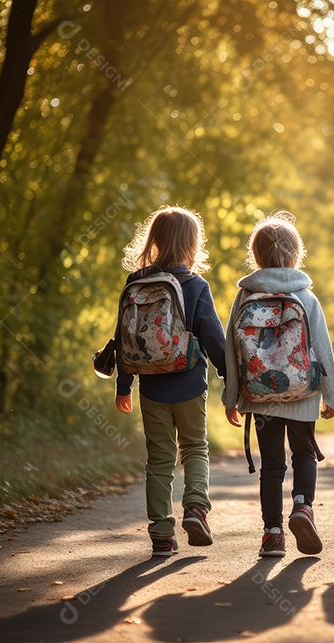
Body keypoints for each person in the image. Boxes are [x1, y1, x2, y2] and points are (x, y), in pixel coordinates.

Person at [223, 213, 334, 557]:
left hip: (260, 396)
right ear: (295, 255)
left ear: (256, 256)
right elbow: (322, 346)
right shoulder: (305, 295)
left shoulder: (246, 295)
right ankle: (303, 506)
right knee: (304, 453)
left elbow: (231, 350)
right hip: (303, 391)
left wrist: (232, 398)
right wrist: (333, 396)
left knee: (272, 465)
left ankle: (272, 534)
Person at [115, 206, 228, 556]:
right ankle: (196, 508)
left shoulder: (136, 283)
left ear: (155, 241)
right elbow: (213, 337)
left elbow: (123, 335)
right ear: (193, 244)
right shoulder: (195, 285)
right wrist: (232, 383)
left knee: (159, 460)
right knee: (194, 448)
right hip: (190, 384)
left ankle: (162, 535)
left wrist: (123, 385)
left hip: (151, 386)